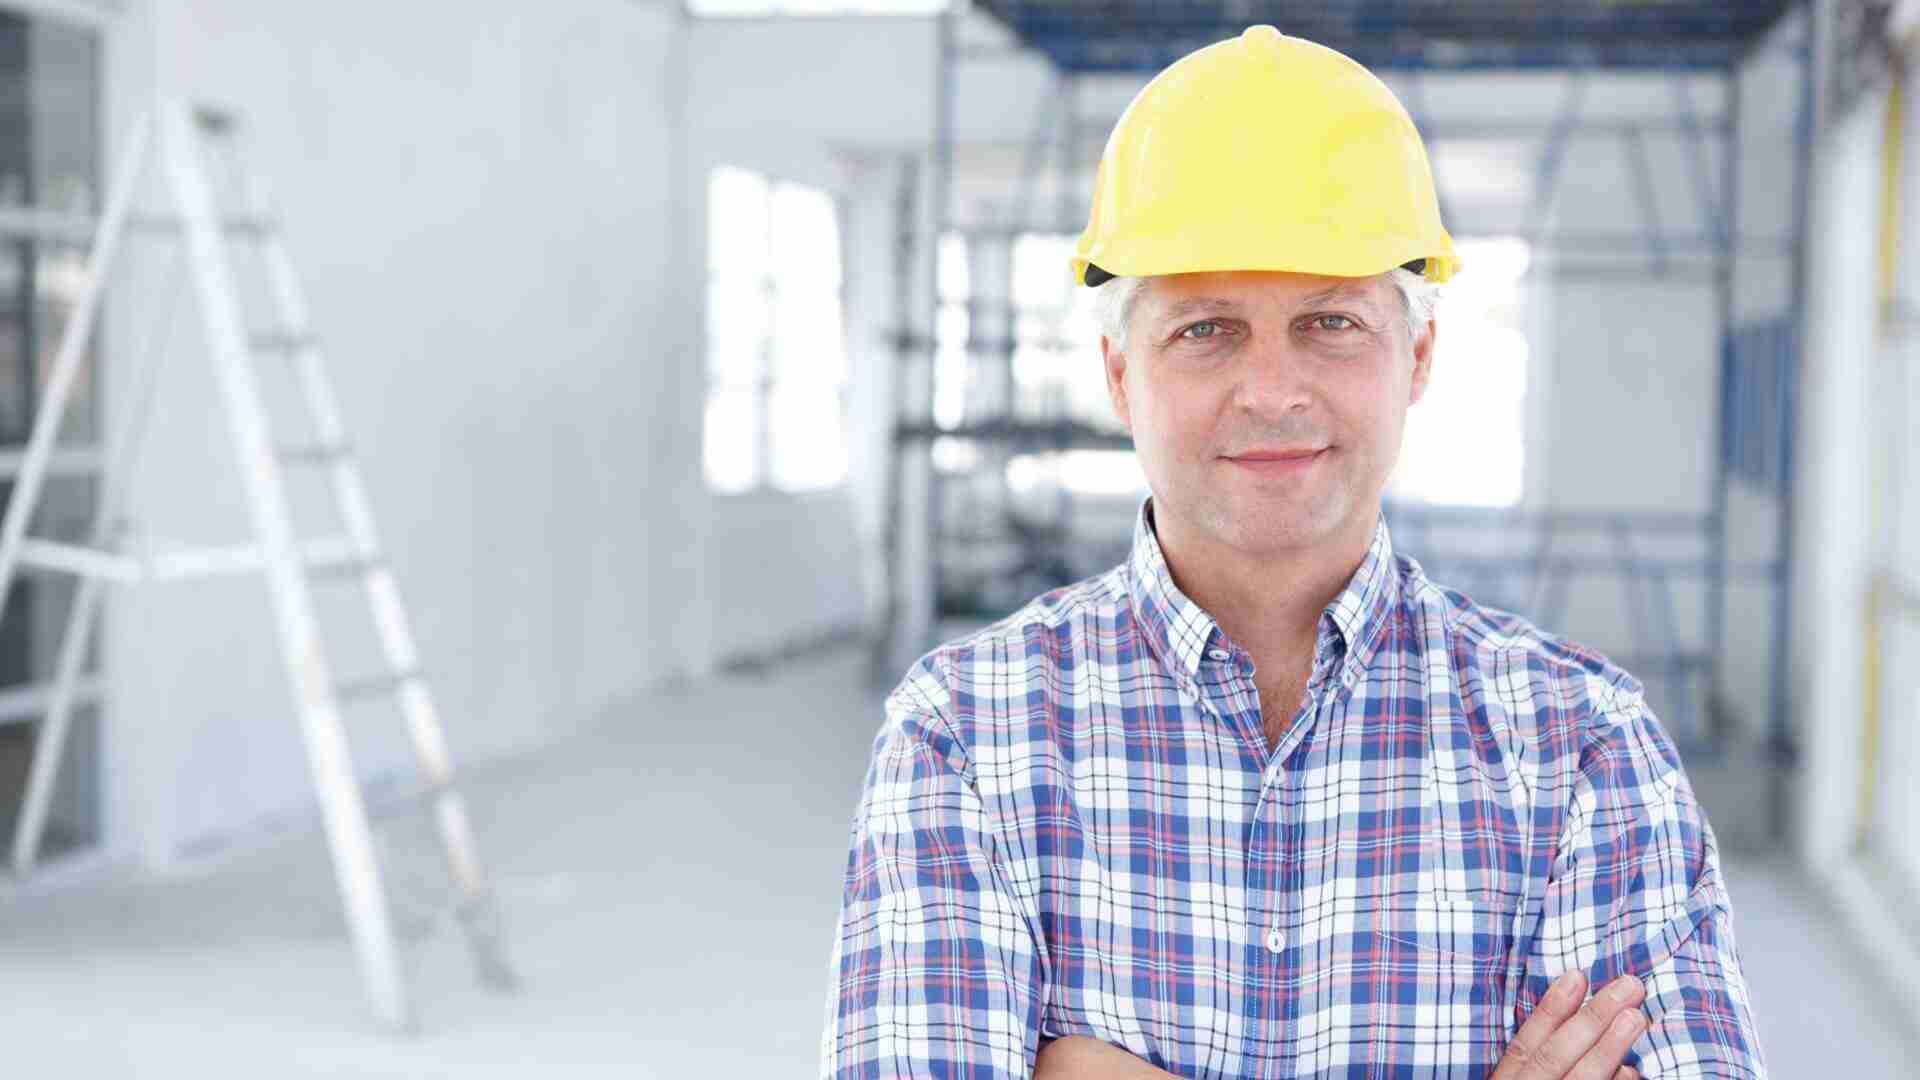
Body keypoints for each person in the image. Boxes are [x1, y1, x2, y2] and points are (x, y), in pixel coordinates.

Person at [819, 25, 1766, 1079]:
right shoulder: (965, 737)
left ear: (1418, 354)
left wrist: (1083, 1066)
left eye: (1328, 322)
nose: (1272, 390)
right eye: (1206, 329)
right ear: (1120, 374)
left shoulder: (1584, 750)